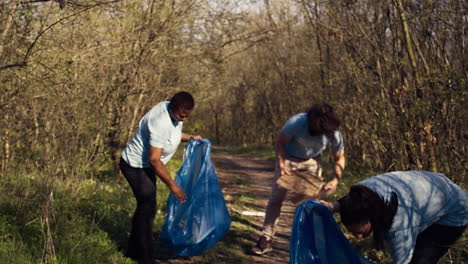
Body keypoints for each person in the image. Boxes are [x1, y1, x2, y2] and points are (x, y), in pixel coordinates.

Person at [119, 91, 202, 264]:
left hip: (146, 166)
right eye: (181, 115)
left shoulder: (173, 113)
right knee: (148, 207)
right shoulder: (160, 122)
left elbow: (172, 136)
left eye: (187, 116)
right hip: (135, 166)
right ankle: (146, 258)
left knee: (145, 207)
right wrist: (173, 186)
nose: (183, 119)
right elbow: (155, 160)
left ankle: (133, 252)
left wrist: (191, 138)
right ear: (172, 109)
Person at [252, 103, 346, 255]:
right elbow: (280, 142)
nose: (320, 130)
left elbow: (339, 158)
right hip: (288, 159)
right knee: (276, 198)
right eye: (318, 125)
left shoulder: (333, 133)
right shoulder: (297, 122)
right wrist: (281, 163)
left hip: (312, 162)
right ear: (311, 119)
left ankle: (307, 242)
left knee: (307, 204)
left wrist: (335, 180)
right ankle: (266, 237)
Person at [317, 170, 468, 264]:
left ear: (370, 218)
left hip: (454, 211)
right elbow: (350, 202)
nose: (359, 237)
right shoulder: (362, 193)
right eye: (353, 232)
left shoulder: (399, 227)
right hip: (427, 194)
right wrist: (332, 206)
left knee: (420, 260)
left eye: (360, 232)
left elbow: (402, 260)